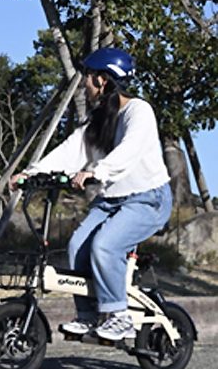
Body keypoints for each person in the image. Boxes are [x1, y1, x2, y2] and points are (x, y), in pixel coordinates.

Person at [10, 47, 172, 341]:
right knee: (77, 246)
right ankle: (88, 315)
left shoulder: (139, 111)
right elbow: (71, 151)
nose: (85, 83)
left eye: (88, 77)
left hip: (148, 199)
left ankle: (119, 316)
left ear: (104, 81)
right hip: (111, 200)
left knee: (105, 246)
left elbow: (130, 150)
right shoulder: (99, 119)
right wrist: (30, 174)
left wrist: (97, 172)